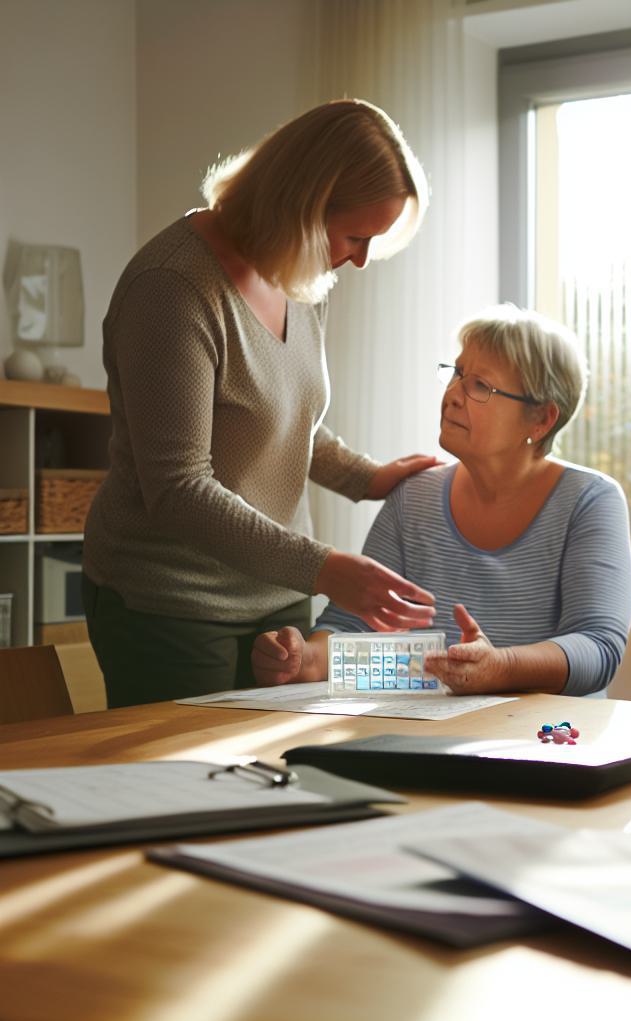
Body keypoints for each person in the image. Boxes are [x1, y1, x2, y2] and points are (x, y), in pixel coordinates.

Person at [83, 99, 441, 708]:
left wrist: (368, 477)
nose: (358, 259)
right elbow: (177, 489)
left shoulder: (298, 274)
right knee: (191, 793)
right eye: (355, 236)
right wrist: (327, 569)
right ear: (301, 206)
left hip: (277, 598)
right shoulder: (172, 288)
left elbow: (284, 422)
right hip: (173, 605)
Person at [252, 305, 631, 698]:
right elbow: (352, 626)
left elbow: (598, 646)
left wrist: (500, 668)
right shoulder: (415, 496)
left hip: (547, 742)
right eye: (457, 373)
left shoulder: (590, 501)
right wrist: (304, 660)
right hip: (428, 738)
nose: (453, 395)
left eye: (481, 386)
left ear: (540, 420)